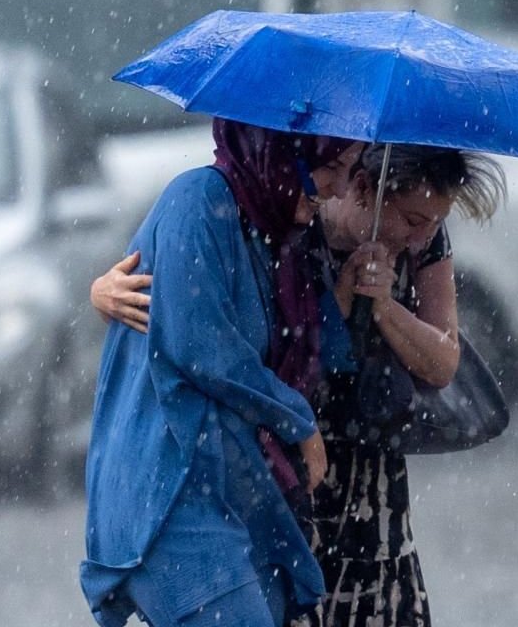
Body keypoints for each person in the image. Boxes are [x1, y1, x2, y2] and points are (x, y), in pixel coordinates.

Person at [91, 143, 506, 626]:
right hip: (285, 458)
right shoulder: (288, 214)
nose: (423, 236)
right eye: (414, 220)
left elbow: (442, 361)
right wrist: (103, 295)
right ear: (365, 189)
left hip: (365, 463)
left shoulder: (423, 241)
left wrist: (383, 306)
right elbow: (205, 322)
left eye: (436, 222)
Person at [80, 117, 363, 627]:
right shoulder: (198, 201)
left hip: (239, 494)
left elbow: (309, 351)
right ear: (281, 150)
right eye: (332, 166)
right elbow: (201, 346)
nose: (340, 188)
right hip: (170, 497)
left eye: (351, 170)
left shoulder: (278, 233)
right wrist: (297, 420)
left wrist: (362, 291)